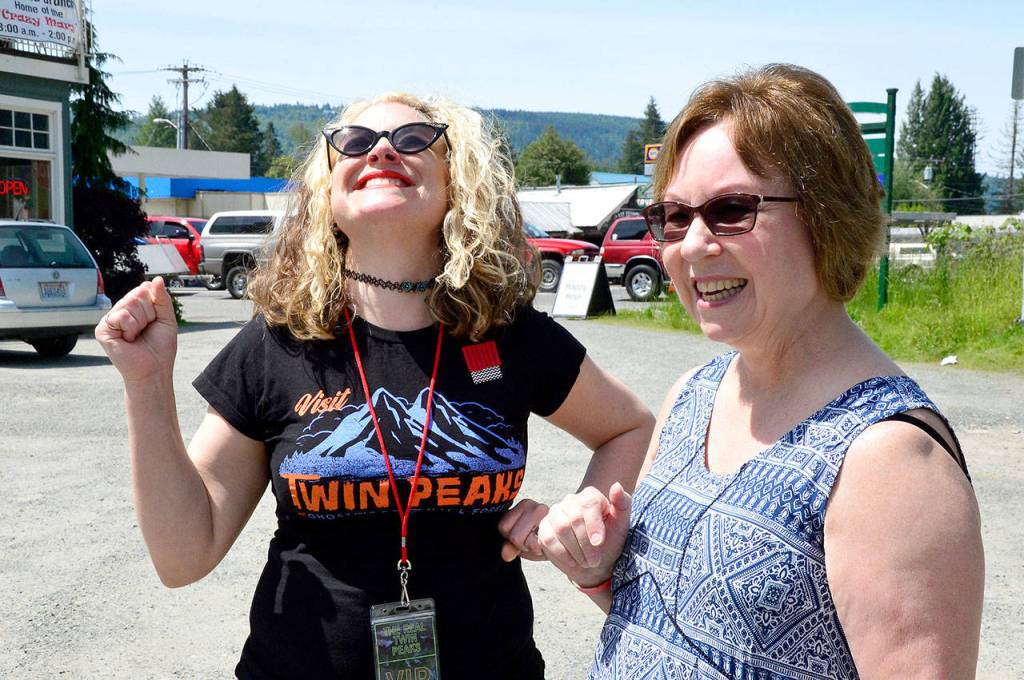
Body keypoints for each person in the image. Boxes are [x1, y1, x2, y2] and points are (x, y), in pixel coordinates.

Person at [95, 92, 654, 678]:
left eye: (414, 139)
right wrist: (146, 383)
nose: (382, 149)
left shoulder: (512, 334)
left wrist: (586, 514)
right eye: (355, 143)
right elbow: (183, 555)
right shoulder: (280, 341)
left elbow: (629, 427)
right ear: (327, 190)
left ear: (457, 181)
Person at [535, 65, 984, 679]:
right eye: (672, 216)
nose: (692, 244)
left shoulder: (890, 460)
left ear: (827, 215)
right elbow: (691, 634)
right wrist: (598, 570)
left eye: (731, 210)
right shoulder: (693, 395)